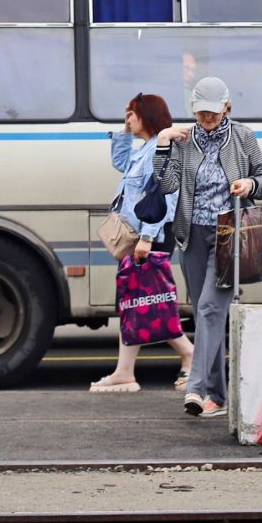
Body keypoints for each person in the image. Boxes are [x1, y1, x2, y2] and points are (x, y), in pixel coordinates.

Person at [156, 76, 262, 419]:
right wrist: (163, 144)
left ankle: (196, 388)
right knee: (207, 313)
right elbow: (166, 185)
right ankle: (218, 398)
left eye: (213, 113)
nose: (206, 119)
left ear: (227, 108)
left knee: (208, 308)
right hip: (190, 234)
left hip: (228, 234)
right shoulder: (183, 140)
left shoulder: (243, 137)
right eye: (201, 113)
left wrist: (249, 182)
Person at [91, 94, 195, 394]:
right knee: (135, 299)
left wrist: (147, 238)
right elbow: (120, 161)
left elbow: (165, 195)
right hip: (139, 238)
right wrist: (124, 131)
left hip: (150, 237)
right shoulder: (144, 149)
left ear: (146, 115)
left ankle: (189, 355)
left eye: (132, 115)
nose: (129, 119)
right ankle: (125, 371)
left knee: (152, 300)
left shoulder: (163, 149)